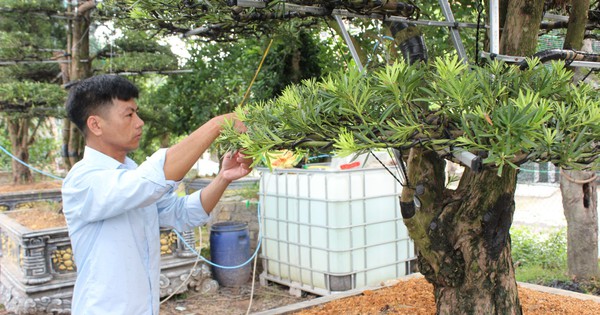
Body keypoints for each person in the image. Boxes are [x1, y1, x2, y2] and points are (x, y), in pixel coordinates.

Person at [61, 74, 252, 315]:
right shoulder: (83, 181)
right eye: (129, 114)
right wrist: (216, 125)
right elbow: (149, 181)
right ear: (96, 125)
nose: (139, 122)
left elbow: (180, 213)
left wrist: (223, 177)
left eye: (137, 113)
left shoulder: (129, 173)